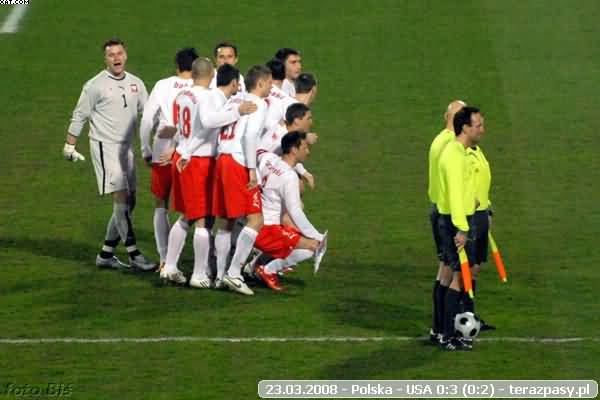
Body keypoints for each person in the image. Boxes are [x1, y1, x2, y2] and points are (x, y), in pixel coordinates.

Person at [159, 61, 257, 286]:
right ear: (212, 74)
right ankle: (199, 274)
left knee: (187, 216)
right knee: (202, 219)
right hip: (198, 160)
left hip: (184, 155)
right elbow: (208, 122)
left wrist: (178, 148)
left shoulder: (181, 95)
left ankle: (170, 266)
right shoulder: (207, 97)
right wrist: (237, 111)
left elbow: (182, 127)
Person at [63, 38, 155, 271]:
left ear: (126, 55)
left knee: (130, 202)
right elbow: (80, 115)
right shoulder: (95, 85)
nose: (116, 58)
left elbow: (149, 113)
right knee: (121, 198)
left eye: (119, 53)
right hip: (105, 147)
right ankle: (134, 254)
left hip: (126, 149)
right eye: (111, 54)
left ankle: (105, 255)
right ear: (105, 59)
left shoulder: (136, 83)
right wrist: (69, 146)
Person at [212, 65, 272, 295]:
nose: (271, 87)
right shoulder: (259, 104)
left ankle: (220, 276)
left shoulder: (234, 100)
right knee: (256, 219)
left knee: (226, 221)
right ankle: (234, 273)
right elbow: (250, 137)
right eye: (269, 83)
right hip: (238, 162)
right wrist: (252, 170)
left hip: (222, 159)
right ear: (260, 83)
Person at [139, 47, 198, 268]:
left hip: (162, 144)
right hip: (189, 149)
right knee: (194, 207)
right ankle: (202, 261)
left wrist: (146, 150)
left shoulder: (163, 85)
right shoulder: (202, 87)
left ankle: (164, 258)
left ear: (176, 67)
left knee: (161, 203)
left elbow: (147, 120)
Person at [436, 106, 484, 350]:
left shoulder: (459, 152)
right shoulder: (454, 157)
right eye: (478, 125)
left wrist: (471, 201)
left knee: (459, 278)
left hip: (459, 220)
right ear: (465, 128)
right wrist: (462, 230)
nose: (482, 130)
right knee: (458, 279)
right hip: (457, 224)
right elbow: (454, 196)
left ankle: (448, 333)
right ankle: (448, 335)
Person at [253, 132, 325, 291]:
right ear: (294, 150)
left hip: (254, 221)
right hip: (267, 230)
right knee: (312, 247)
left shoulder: (269, 159)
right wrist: (316, 235)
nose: (308, 152)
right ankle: (267, 270)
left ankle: (256, 264)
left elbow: (258, 152)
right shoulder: (289, 176)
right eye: (305, 148)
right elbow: (295, 211)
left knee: (295, 231)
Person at [426, 100, 465, 344]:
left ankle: (438, 328)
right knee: (450, 272)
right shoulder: (452, 145)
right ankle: (444, 329)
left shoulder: (439, 139)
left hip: (439, 209)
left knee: (444, 270)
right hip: (447, 213)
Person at [464, 138, 496, 331]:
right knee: (465, 269)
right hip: (471, 215)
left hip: (481, 214)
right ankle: (461, 317)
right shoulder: (463, 153)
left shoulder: (477, 150)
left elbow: (481, 184)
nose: (482, 130)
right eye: (477, 125)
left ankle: (469, 314)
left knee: (475, 268)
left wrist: (488, 209)